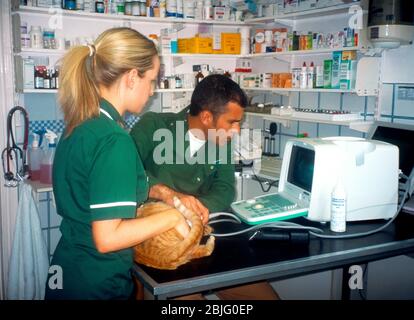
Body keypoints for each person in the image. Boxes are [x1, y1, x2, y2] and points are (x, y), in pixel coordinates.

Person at [44, 27, 190, 300]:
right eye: (152, 80)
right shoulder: (114, 139)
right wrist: (171, 216)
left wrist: (162, 192)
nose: (152, 91)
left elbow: (99, 184)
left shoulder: (82, 122)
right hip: (94, 283)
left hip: (67, 271)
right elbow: (107, 238)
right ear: (132, 77)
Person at [130, 74, 280, 300]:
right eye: (233, 122)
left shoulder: (222, 141)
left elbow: (225, 187)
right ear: (207, 117)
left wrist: (197, 211)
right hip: (162, 244)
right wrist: (168, 197)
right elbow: (126, 173)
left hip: (208, 238)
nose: (237, 130)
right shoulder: (153, 126)